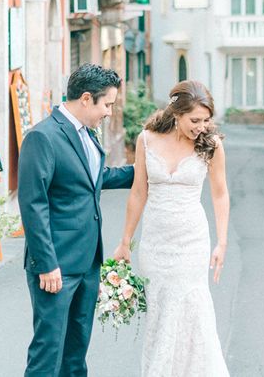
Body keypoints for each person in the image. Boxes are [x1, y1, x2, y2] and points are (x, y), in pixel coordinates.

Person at [18, 64, 134, 377]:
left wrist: (147, 172)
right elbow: (33, 203)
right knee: (48, 352)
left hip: (87, 264)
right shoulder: (42, 137)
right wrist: (46, 264)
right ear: (86, 99)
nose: (109, 112)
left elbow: (95, 179)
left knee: (75, 354)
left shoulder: (86, 135)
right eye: (107, 104)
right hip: (55, 266)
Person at [113, 80, 231, 376]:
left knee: (193, 313)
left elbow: (220, 193)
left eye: (206, 120)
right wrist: (125, 240)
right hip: (156, 244)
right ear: (176, 114)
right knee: (161, 315)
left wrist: (222, 242)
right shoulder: (146, 139)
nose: (201, 127)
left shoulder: (211, 145)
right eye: (194, 120)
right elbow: (139, 192)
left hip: (192, 242)